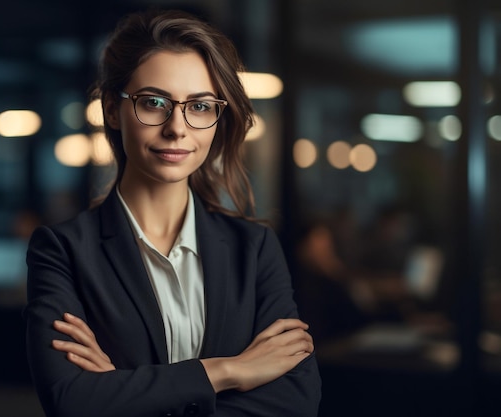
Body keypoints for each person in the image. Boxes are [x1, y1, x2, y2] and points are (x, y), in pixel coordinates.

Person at [24, 9, 321, 417]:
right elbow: (72, 401)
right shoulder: (63, 251)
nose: (177, 128)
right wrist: (228, 371)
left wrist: (126, 393)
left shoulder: (253, 248)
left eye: (199, 106)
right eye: (154, 102)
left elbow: (294, 402)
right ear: (112, 108)